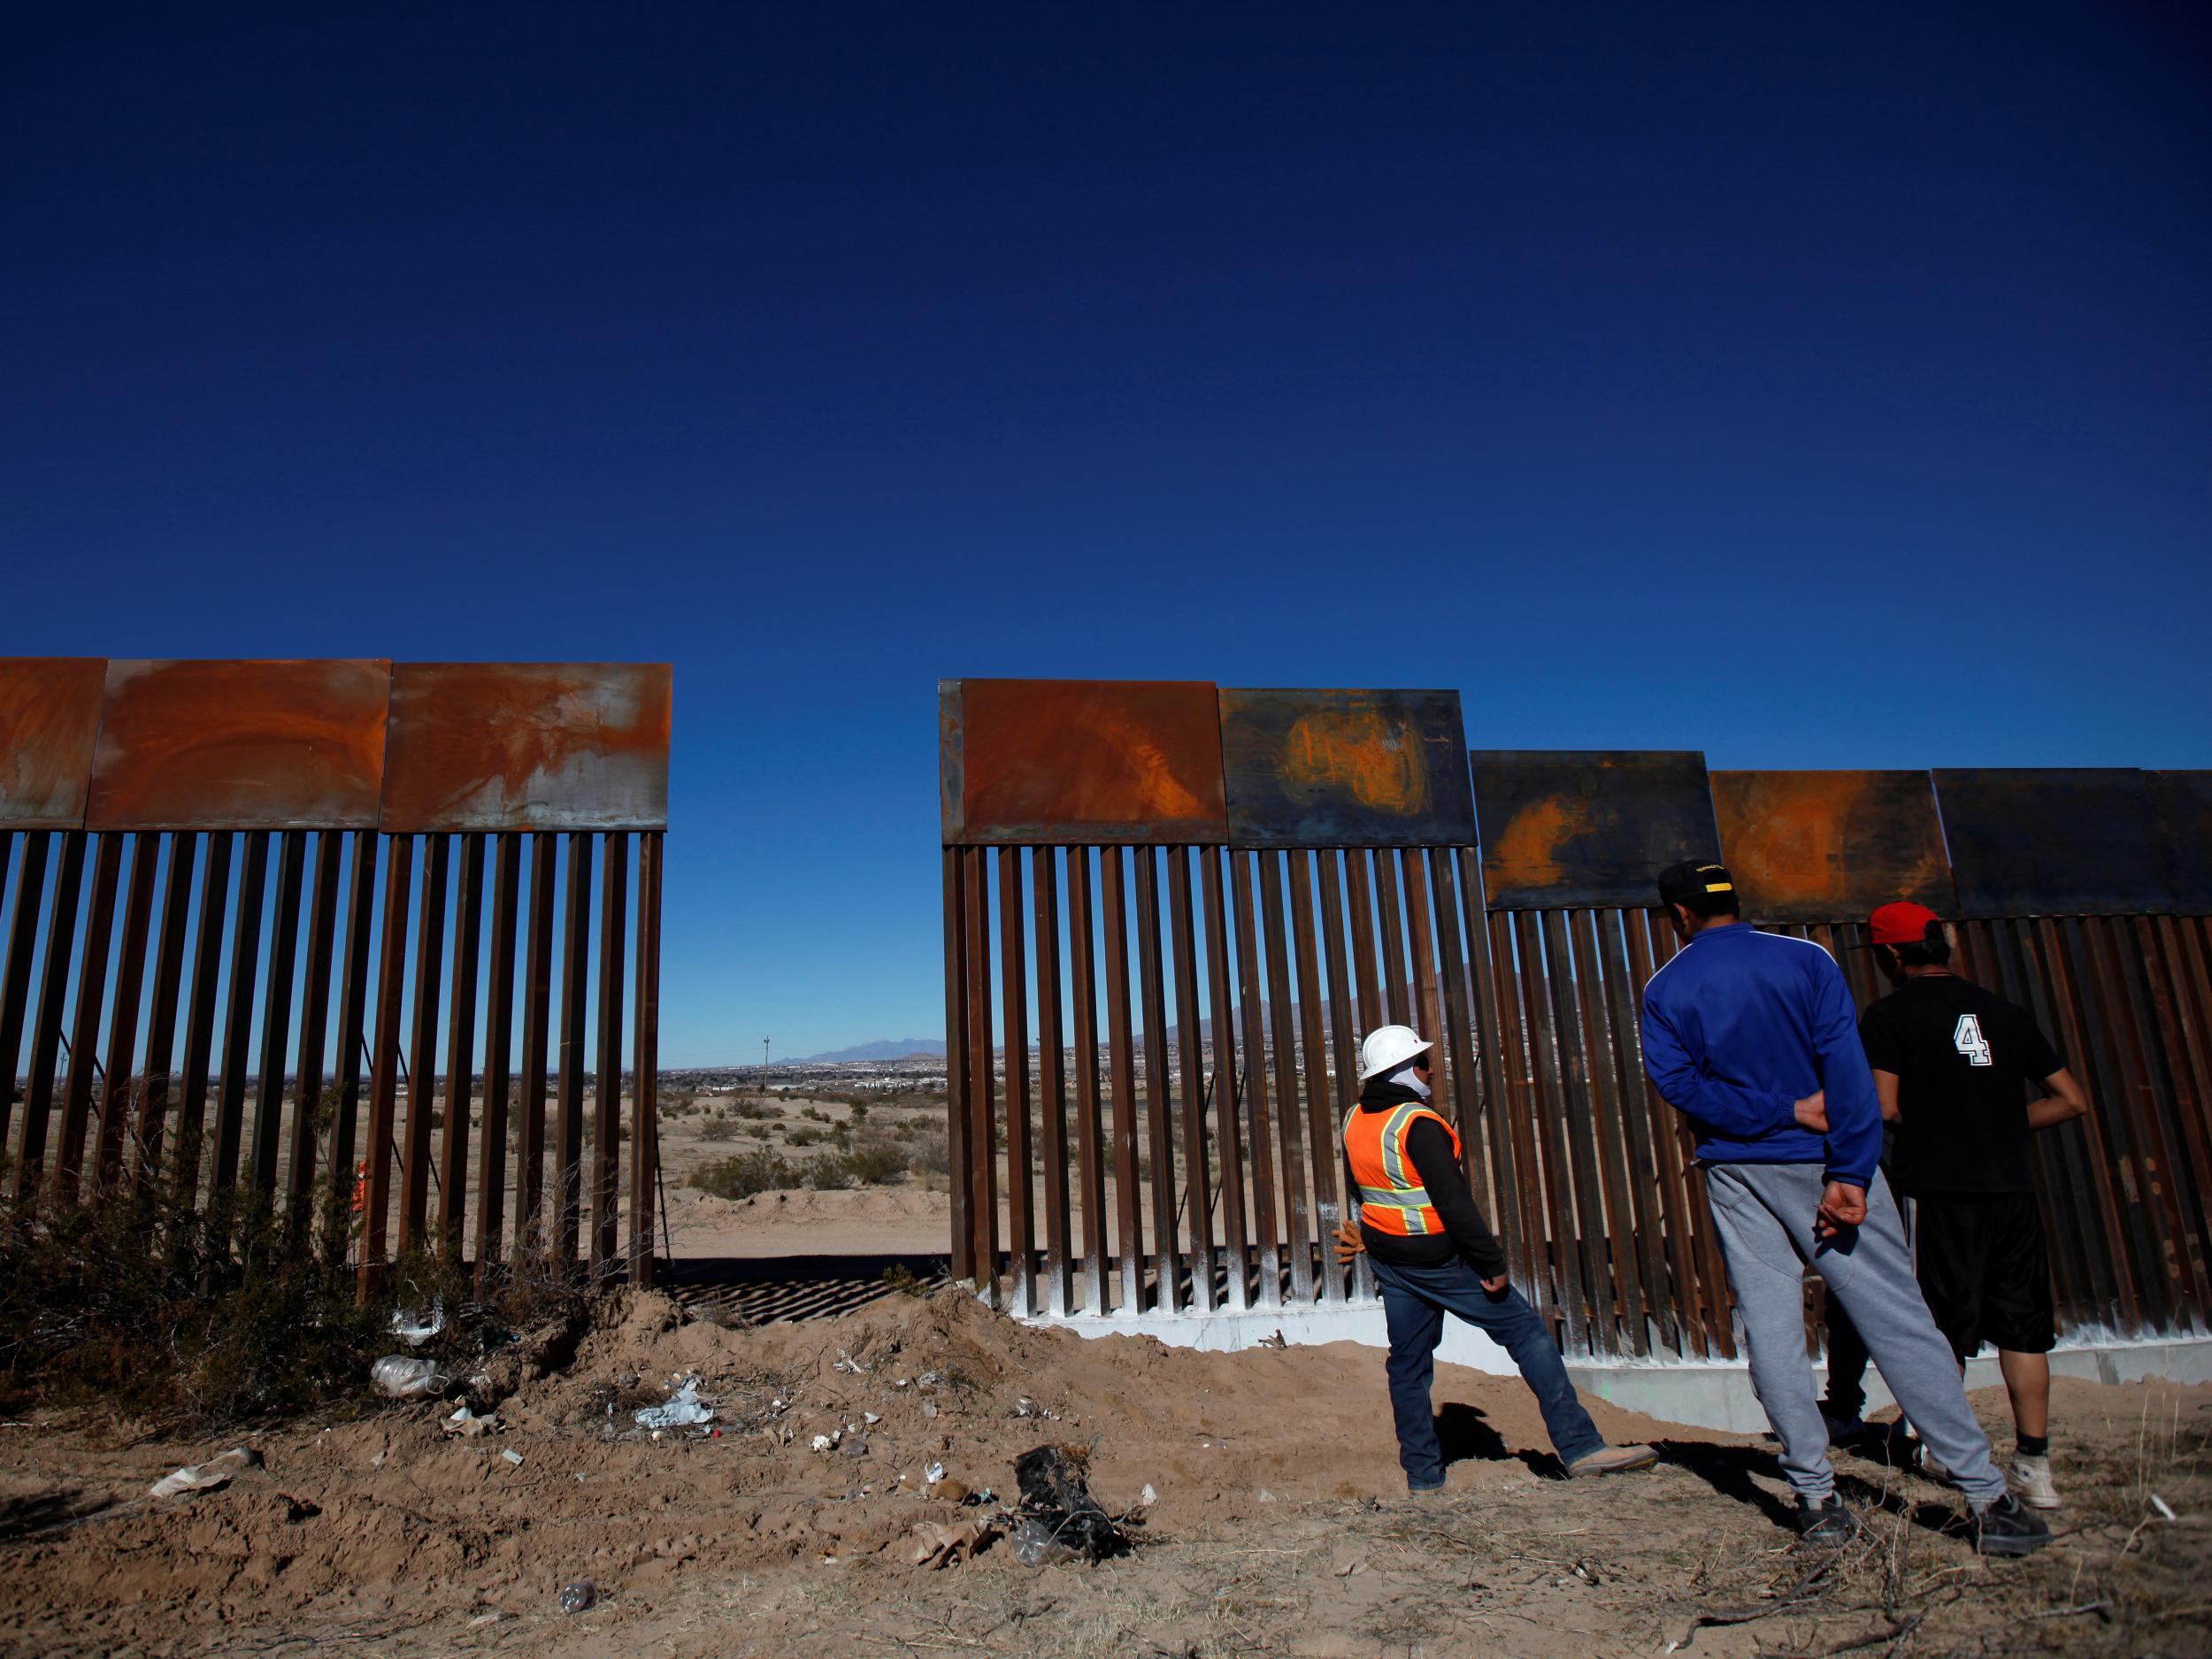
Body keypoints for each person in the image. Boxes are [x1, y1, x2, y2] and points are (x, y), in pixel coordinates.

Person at [1637, 860, 2048, 1555]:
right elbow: (1848, 1072)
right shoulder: (1806, 960)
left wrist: (1772, 1111)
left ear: (1678, 915)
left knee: (1771, 1330)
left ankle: (1818, 1498)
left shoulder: (1666, 986)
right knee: (1899, 1320)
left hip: (1738, 1171)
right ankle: (1987, 1499)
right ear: (1734, 902)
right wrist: (1852, 1172)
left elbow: (1678, 1083)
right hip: (1827, 1163)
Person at [1336, 1023, 1657, 1494]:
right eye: (1425, 1064)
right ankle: (1582, 1447)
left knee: (1407, 1365)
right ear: (1404, 1069)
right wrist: (1490, 1264)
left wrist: (1376, 1235)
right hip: (1441, 1262)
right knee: (1527, 1334)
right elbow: (1455, 1205)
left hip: (1392, 1261)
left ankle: (1424, 1477)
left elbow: (1361, 1189)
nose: (1431, 1072)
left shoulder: (1356, 1119)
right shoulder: (1417, 1125)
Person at [1856, 900, 2089, 1509]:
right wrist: (2006, 1125)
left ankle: (1946, 1451)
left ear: (1889, 954)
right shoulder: (2004, 1012)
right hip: (2011, 1187)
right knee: (2024, 1328)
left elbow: (1883, 1105)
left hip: (1938, 1191)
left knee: (1939, 1326)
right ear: (1945, 945)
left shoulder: (1888, 1016)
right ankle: (2034, 1465)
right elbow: (2069, 1098)